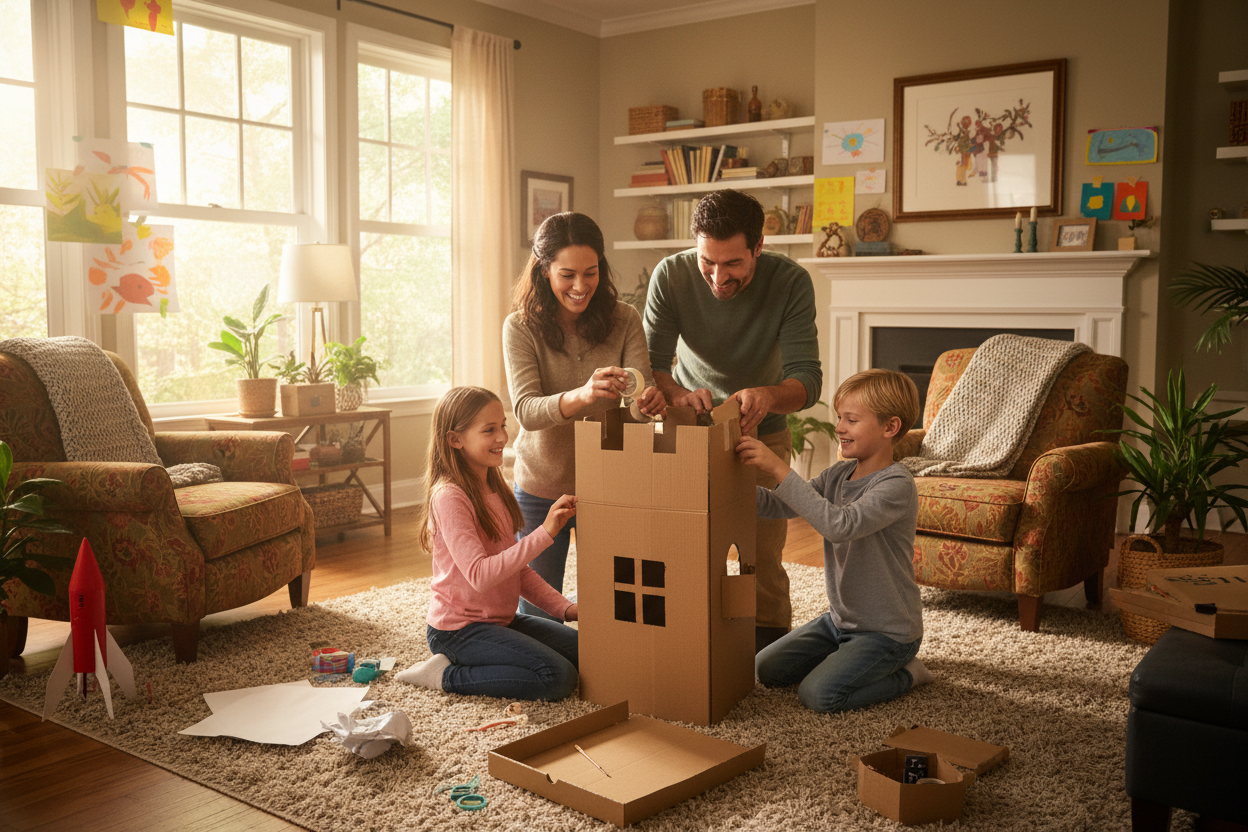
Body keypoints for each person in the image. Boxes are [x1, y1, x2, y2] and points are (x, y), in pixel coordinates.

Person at [643, 189, 822, 652]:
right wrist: (681, 395)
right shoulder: (671, 275)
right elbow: (652, 364)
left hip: (761, 436)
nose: (718, 278)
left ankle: (766, 652)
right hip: (688, 431)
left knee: (759, 556)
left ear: (758, 247)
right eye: (708, 262)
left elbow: (807, 380)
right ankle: (689, 642)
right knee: (683, 546)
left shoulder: (791, 282)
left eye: (733, 264)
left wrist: (767, 396)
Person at [736, 369, 932, 713]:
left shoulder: (896, 485)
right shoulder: (837, 475)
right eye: (840, 417)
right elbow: (780, 504)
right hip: (839, 621)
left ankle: (909, 674)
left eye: (851, 420)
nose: (840, 427)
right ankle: (845, 659)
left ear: (890, 428)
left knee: (819, 695)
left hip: (887, 633)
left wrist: (779, 468)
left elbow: (839, 525)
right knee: (765, 669)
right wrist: (729, 484)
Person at [505, 212, 665, 620]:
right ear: (544, 271)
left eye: (590, 273)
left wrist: (647, 404)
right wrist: (584, 394)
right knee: (539, 615)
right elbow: (526, 412)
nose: (581, 286)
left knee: (622, 605)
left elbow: (638, 396)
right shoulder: (520, 328)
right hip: (543, 488)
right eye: (567, 275)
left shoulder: (624, 319)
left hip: (613, 481)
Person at [396, 386, 580, 700]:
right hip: (458, 631)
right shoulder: (450, 497)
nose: (502, 437)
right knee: (557, 676)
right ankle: (444, 674)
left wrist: (566, 609)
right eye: (489, 430)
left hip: (501, 620)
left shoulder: (495, 487)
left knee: (587, 655)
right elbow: (480, 576)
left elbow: (517, 571)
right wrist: (545, 533)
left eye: (503, 426)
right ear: (456, 440)